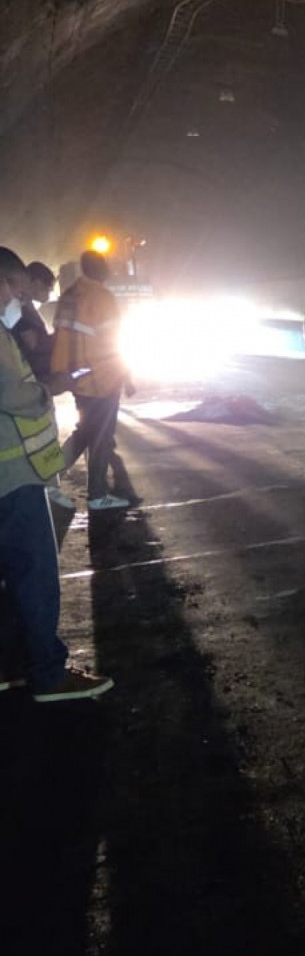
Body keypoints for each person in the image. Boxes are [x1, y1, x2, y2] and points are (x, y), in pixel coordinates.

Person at [0, 246, 112, 700]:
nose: (22, 301)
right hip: (14, 476)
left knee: (10, 576)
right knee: (35, 574)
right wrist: (50, 389)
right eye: (17, 290)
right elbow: (17, 394)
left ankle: (11, 664)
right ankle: (48, 673)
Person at [51, 250, 131, 512]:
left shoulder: (70, 295)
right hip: (103, 379)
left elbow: (62, 337)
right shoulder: (102, 297)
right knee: (100, 437)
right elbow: (113, 343)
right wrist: (126, 374)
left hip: (77, 378)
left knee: (85, 432)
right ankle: (97, 494)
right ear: (102, 269)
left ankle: (48, 477)